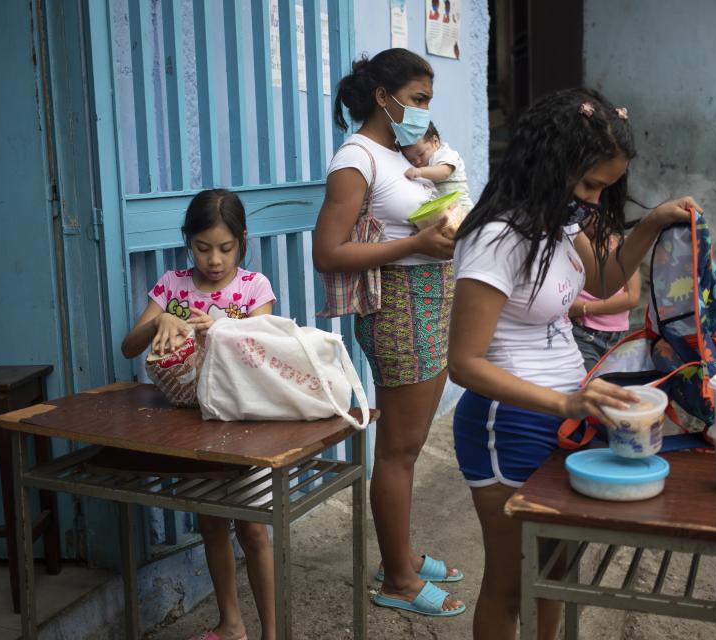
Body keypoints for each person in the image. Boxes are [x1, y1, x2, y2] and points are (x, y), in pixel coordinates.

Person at [447, 88, 700, 639]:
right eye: (588, 184)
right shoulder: (497, 238)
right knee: (511, 582)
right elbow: (463, 364)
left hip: (562, 415)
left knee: (556, 570)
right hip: (507, 422)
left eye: (605, 189)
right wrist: (564, 400)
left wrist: (652, 224)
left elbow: (608, 280)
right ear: (549, 163)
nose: (593, 199)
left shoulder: (559, 226)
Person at [312, 48, 465, 617]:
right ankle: (398, 579)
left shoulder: (401, 150)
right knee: (398, 451)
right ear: (384, 97)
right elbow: (328, 253)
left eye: (428, 101)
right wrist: (417, 244)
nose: (424, 111)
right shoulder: (355, 159)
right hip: (399, 307)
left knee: (411, 444)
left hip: (433, 299)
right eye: (418, 99)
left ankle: (398, 554)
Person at [121, 189, 277, 640]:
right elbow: (130, 347)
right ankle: (231, 625)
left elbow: (265, 348)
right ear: (187, 242)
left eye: (226, 248)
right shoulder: (171, 286)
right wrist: (161, 320)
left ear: (242, 241)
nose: (214, 260)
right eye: (203, 248)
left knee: (254, 529)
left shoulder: (254, 287)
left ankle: (270, 633)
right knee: (211, 523)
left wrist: (224, 327)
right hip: (190, 426)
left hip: (244, 423)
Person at [569, 232, 642, 371]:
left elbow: (632, 297)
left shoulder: (623, 244)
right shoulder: (572, 243)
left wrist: (584, 307)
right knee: (590, 383)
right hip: (582, 332)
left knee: (613, 384)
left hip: (618, 337)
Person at [401, 122, 475, 213]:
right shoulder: (425, 163)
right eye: (411, 160)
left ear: (435, 142)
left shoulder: (445, 154)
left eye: (421, 154)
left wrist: (419, 172)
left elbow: (445, 172)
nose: (417, 162)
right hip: (446, 212)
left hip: (462, 209)